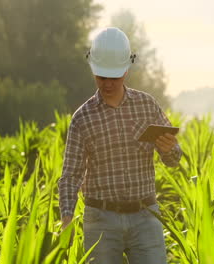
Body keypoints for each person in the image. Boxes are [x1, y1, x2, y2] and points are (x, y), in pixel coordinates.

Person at [58, 27, 182, 264]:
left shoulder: (147, 105)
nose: (107, 84)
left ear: (126, 68)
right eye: (101, 76)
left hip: (146, 216)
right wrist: (67, 217)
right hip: (100, 221)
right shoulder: (82, 118)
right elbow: (70, 175)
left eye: (113, 77)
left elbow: (175, 159)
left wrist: (169, 150)